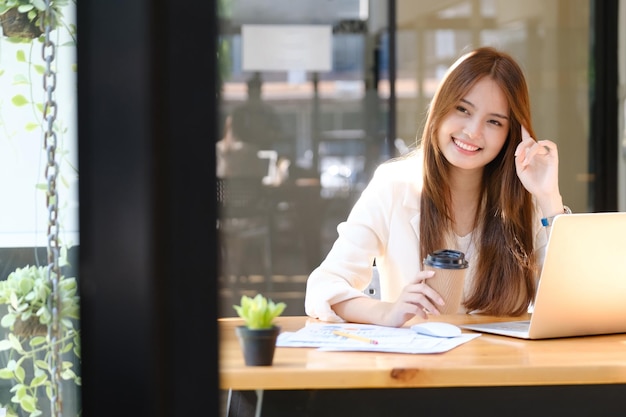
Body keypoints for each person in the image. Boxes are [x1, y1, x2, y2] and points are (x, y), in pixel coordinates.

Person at [305, 46, 569, 327]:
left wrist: (548, 196)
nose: (473, 131)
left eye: (494, 121)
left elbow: (571, 300)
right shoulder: (394, 186)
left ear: (512, 134)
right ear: (440, 109)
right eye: (463, 109)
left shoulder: (526, 200)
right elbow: (324, 287)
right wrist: (388, 312)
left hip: (502, 367)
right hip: (420, 367)